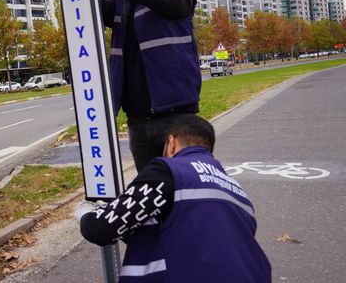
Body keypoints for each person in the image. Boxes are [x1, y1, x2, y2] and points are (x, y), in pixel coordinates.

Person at [50, 0, 201, 172]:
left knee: (185, 187)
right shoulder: (120, 3)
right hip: (138, 122)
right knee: (149, 192)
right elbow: (87, 9)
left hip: (178, 118)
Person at [73, 114, 271, 282]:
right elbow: (186, 235)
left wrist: (84, 212)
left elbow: (102, 228)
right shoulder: (238, 191)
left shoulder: (169, 172)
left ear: (172, 142)